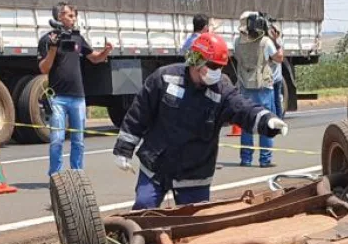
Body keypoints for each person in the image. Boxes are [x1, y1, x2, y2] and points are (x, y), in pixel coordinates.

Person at [113, 33, 287, 207]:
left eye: (220, 67)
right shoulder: (165, 78)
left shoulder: (222, 90)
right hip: (156, 166)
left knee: (195, 224)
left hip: (194, 175)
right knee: (144, 210)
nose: (216, 72)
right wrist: (123, 149)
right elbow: (139, 113)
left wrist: (267, 120)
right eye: (212, 66)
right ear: (196, 60)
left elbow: (242, 108)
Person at [38, 2, 113, 178]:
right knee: (57, 139)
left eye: (74, 16)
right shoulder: (47, 39)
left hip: (78, 97)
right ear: (59, 17)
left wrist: (106, 51)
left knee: (78, 141)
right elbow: (43, 68)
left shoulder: (77, 38)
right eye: (69, 15)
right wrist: (53, 50)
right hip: (57, 98)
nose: (73, 19)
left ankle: (77, 175)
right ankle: (55, 176)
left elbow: (94, 58)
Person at [234, 12, 285, 167]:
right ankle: (265, 159)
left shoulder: (237, 42)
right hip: (263, 87)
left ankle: (246, 158)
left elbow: (237, 57)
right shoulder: (266, 42)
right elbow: (279, 58)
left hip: (244, 85)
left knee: (247, 122)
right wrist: (278, 42)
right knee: (266, 122)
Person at [269, 21, 286, 119]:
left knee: (276, 101)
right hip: (270, 77)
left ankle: (279, 120)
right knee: (272, 100)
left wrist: (275, 40)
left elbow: (279, 57)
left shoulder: (278, 41)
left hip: (275, 77)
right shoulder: (267, 41)